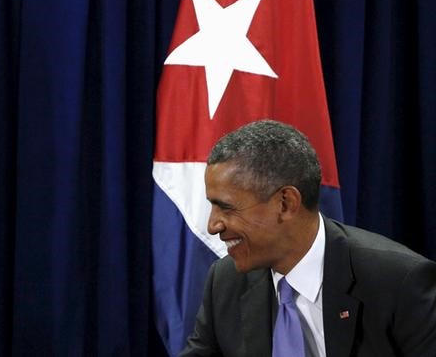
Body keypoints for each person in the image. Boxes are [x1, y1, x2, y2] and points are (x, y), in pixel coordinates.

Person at [179, 120, 436, 357]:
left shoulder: (398, 282)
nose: (213, 226)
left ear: (286, 203)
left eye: (227, 207)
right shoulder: (226, 282)